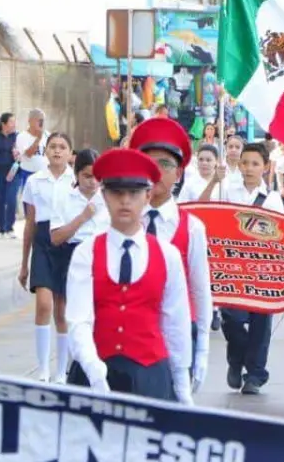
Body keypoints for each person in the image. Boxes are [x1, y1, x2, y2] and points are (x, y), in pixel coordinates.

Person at [64, 149, 192, 404]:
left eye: (133, 193)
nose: (125, 201)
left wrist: (182, 385)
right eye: (116, 193)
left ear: (147, 195)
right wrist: (91, 366)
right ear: (104, 196)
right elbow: (78, 319)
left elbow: (176, 324)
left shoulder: (168, 255)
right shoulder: (86, 252)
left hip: (150, 374)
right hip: (95, 371)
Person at [128, 118, 212, 393]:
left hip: (177, 336)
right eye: (148, 163)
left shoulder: (192, 227)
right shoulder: (119, 221)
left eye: (165, 165)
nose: (156, 172)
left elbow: (201, 293)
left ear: (179, 174)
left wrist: (201, 351)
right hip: (130, 336)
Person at [210, 141, 283, 395]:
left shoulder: (273, 199)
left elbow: (281, 233)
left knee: (261, 323)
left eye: (255, 164)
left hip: (263, 268)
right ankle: (236, 357)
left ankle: (255, 374)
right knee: (232, 318)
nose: (249, 168)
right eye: (245, 163)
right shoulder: (226, 191)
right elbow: (209, 214)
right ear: (238, 165)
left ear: (265, 167)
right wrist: (213, 181)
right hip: (234, 267)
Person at [44, 148, 108, 383]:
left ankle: (93, 362)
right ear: (77, 175)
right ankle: (67, 366)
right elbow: (56, 236)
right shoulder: (64, 198)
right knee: (70, 315)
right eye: (87, 176)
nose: (92, 182)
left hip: (101, 255)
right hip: (72, 254)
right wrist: (83, 217)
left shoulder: (109, 198)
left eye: (96, 176)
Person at [18, 132, 75, 382]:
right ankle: (43, 367)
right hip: (43, 241)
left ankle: (61, 370)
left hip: (67, 242)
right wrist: (23, 264)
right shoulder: (34, 181)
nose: (57, 151)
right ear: (46, 151)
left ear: (70, 153)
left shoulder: (76, 182)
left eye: (63, 147)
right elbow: (30, 223)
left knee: (62, 311)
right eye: (52, 146)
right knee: (44, 304)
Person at [14, 109, 49, 195]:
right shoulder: (22, 136)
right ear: (30, 121)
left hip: (44, 174)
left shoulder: (47, 135)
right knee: (29, 202)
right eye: (39, 120)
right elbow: (29, 154)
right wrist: (38, 139)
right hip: (28, 174)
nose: (41, 123)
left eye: (43, 120)